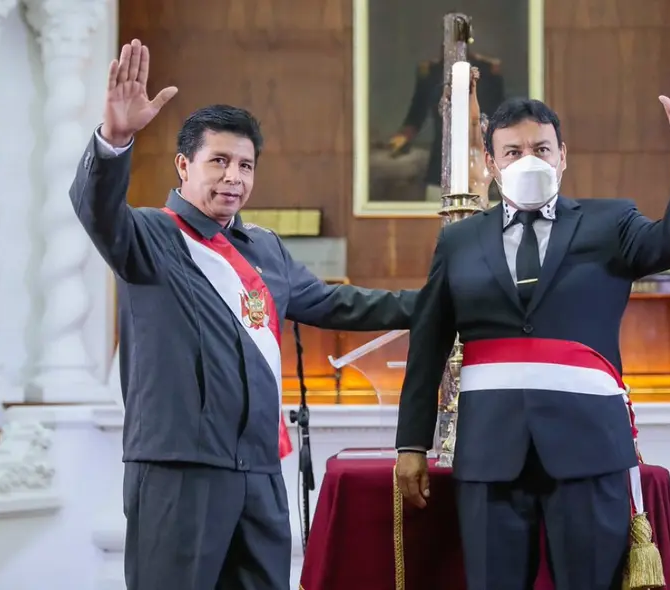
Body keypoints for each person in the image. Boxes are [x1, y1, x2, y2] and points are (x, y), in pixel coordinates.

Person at [72, 39, 417, 590]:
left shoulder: (266, 249)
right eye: (219, 161)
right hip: (179, 467)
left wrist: (433, 305)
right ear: (184, 165)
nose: (233, 176)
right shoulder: (148, 235)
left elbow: (337, 303)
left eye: (245, 165)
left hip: (259, 469)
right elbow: (97, 209)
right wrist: (114, 141)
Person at [394, 60, 670, 590]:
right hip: (490, 452)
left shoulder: (610, 222)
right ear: (490, 163)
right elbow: (428, 344)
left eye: (541, 149)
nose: (529, 160)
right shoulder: (459, 240)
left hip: (589, 448)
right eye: (513, 152)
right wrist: (411, 444)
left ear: (563, 156)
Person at [386, 49, 506, 201]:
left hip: (480, 167)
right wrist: (401, 139)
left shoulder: (488, 72)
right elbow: (416, 114)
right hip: (440, 167)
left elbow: (499, 118)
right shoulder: (432, 73)